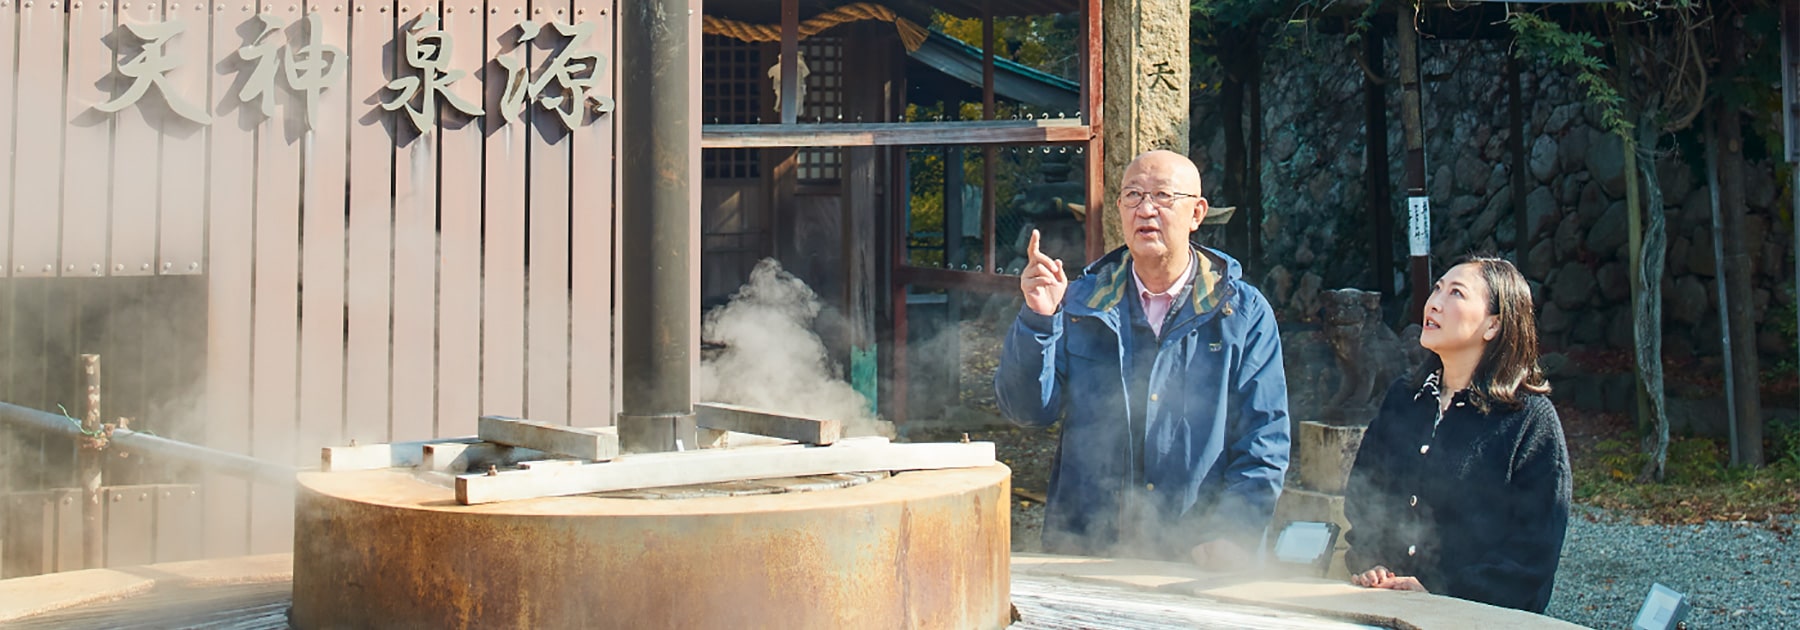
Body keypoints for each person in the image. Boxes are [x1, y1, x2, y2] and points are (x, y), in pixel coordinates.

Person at [994, 150, 1290, 569]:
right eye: (1132, 195)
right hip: (1088, 549)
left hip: (1201, 554)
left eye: (1163, 196)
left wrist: (1232, 533)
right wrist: (1039, 320)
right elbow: (1027, 412)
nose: (1145, 209)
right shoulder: (1081, 301)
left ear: (1197, 212)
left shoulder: (1239, 311)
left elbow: (1264, 438)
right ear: (1118, 209)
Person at [1343, 255, 1571, 614]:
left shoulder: (1529, 420)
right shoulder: (1404, 398)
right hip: (1384, 609)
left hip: (1480, 619)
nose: (1434, 302)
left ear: (1493, 325)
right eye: (1437, 289)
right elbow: (1366, 493)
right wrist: (1371, 564)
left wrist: (1439, 590)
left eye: (1456, 294)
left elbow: (1534, 552)